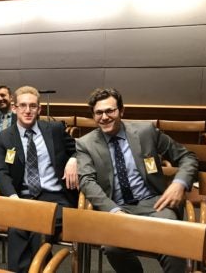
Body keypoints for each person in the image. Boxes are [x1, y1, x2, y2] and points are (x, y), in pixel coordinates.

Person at [76, 88, 198, 273]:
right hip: (118, 207)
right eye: (99, 113)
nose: (105, 117)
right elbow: (86, 181)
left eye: (110, 110)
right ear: (93, 116)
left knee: (173, 238)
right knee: (111, 247)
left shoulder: (145, 131)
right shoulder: (85, 144)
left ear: (122, 111)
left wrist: (178, 183)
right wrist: (113, 210)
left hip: (156, 204)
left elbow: (187, 157)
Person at [0, 86, 78, 273]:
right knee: (17, 229)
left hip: (57, 199)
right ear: (14, 108)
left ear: (39, 109)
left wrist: (73, 159)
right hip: (23, 199)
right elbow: (1, 172)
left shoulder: (55, 129)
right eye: (23, 105)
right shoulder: (3, 138)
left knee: (36, 226)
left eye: (33, 106)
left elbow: (80, 150)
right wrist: (13, 198)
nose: (27, 110)